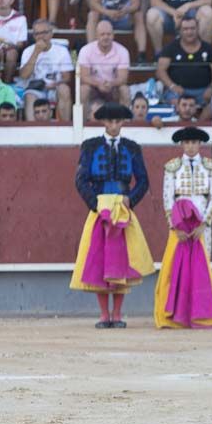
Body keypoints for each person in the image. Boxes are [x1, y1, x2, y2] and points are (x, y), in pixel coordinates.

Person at [70, 103, 154, 329]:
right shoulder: (90, 146)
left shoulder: (132, 147)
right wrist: (95, 204)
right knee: (100, 261)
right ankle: (103, 315)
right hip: (100, 207)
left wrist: (130, 200)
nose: (114, 126)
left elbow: (143, 181)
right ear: (103, 122)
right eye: (110, 121)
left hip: (122, 208)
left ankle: (117, 314)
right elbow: (80, 180)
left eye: (118, 122)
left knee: (120, 262)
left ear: (123, 123)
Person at [155, 126, 212, 330]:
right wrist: (175, 227)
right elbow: (168, 198)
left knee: (202, 267)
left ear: (200, 144)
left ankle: (201, 314)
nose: (191, 147)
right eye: (187, 143)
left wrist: (204, 224)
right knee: (175, 267)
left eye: (195, 142)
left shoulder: (211, 167)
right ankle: (176, 314)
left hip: (202, 225)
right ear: (182, 145)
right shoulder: (172, 167)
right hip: (180, 225)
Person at [157, 16, 212, 113]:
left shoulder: (207, 48)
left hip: (203, 91)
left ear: (197, 29)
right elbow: (160, 70)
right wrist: (172, 86)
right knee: (173, 100)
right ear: (180, 31)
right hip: (179, 91)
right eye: (185, 29)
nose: (189, 32)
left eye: (192, 28)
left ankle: (200, 124)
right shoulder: (171, 47)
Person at [18, 19, 73, 122]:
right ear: (33, 36)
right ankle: (32, 130)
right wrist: (36, 52)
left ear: (51, 33)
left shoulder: (61, 51)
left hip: (55, 87)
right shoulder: (28, 51)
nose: (41, 36)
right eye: (37, 34)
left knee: (64, 89)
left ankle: (66, 126)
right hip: (35, 88)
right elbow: (24, 76)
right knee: (29, 96)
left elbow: (67, 77)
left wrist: (56, 84)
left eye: (44, 32)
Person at [79, 18, 131, 114]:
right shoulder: (86, 50)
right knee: (83, 90)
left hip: (113, 87)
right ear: (96, 36)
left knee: (125, 90)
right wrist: (98, 84)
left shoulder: (122, 51)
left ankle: (124, 123)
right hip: (93, 87)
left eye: (108, 34)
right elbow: (84, 77)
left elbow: (123, 78)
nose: (106, 37)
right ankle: (83, 124)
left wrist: (111, 84)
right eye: (102, 34)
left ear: (113, 35)